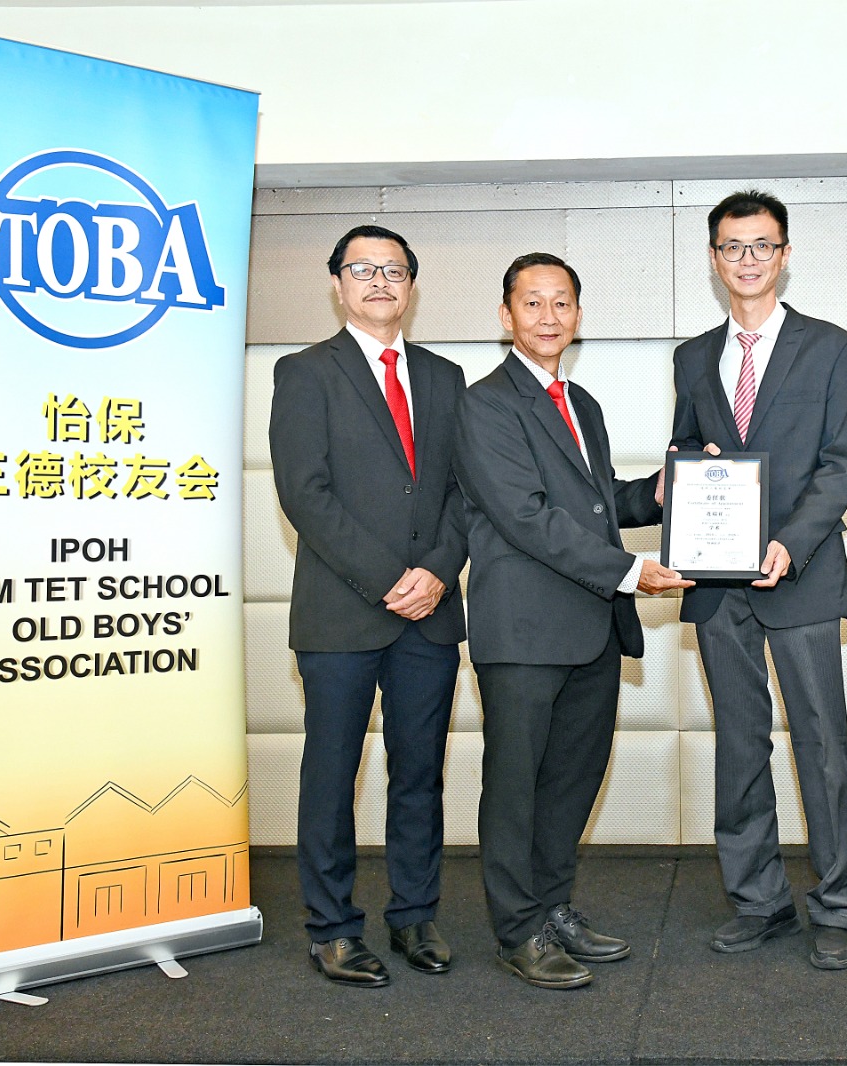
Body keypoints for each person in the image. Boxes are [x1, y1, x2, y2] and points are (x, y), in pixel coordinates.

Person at [455, 252, 692, 989]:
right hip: (524, 633)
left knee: (570, 781)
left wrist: (661, 491)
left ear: (579, 315)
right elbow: (526, 516)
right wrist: (631, 572)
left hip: (589, 628)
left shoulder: (579, 402)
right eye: (532, 303)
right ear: (506, 316)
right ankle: (517, 929)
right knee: (516, 786)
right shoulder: (486, 405)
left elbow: (596, 502)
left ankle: (552, 906)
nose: (548, 316)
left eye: (562, 303)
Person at [670, 190, 847, 970]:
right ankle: (758, 899)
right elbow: (686, 452)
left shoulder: (832, 347)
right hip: (719, 585)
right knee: (739, 743)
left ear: (784, 254)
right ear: (714, 259)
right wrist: (690, 467)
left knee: (822, 743)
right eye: (732, 247)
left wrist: (791, 541)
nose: (746, 260)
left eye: (761, 246)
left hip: (803, 577)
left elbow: (842, 463)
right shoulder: (692, 357)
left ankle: (837, 904)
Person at [269, 224, 467, 987]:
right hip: (343, 611)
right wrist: (391, 579)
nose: (380, 281)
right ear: (337, 284)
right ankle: (332, 928)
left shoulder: (446, 377)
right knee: (333, 773)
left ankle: (414, 915)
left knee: (420, 774)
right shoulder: (304, 372)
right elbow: (305, 494)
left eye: (394, 269)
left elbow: (464, 492)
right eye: (363, 269)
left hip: (431, 612)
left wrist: (439, 571)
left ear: (412, 285)